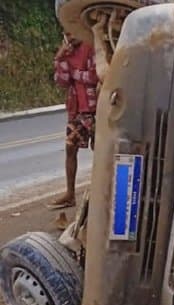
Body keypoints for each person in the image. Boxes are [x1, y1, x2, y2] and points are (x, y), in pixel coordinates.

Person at [48, 32, 98, 209]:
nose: (70, 36)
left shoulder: (91, 47)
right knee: (71, 149)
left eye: (72, 32)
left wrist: (74, 73)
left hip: (95, 108)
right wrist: (59, 58)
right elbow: (61, 81)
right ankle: (70, 194)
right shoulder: (67, 52)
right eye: (67, 34)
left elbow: (94, 76)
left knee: (99, 150)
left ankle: (100, 193)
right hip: (76, 109)